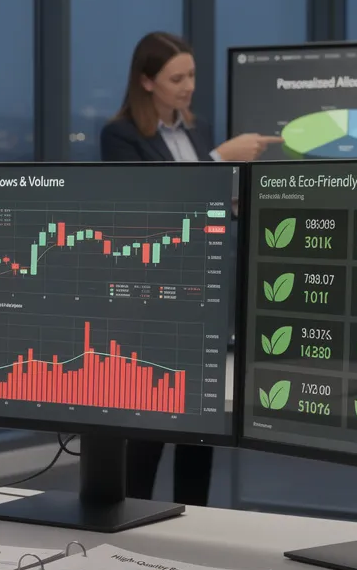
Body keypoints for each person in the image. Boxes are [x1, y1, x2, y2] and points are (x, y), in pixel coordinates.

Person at [99, 32, 280, 507]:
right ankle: (129, 519)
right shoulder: (120, 136)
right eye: (176, 78)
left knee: (199, 434)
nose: (187, 87)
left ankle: (192, 525)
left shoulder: (195, 133)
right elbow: (146, 213)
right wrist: (222, 160)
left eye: (192, 75)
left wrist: (236, 200)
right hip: (150, 306)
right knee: (149, 430)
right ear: (146, 81)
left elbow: (208, 210)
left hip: (201, 296)